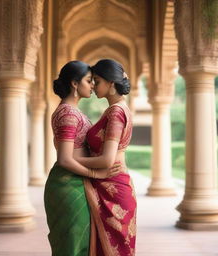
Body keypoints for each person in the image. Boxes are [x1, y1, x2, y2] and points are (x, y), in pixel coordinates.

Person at [44, 60, 121, 256]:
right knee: (72, 245)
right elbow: (64, 159)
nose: (93, 85)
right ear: (75, 84)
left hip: (76, 182)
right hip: (68, 184)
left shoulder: (73, 111)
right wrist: (94, 173)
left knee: (82, 243)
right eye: (89, 80)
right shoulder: (68, 114)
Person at [75, 59, 137, 256]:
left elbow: (107, 160)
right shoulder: (118, 109)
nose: (93, 86)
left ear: (111, 83)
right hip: (112, 187)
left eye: (97, 80)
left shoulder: (116, 113)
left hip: (113, 190)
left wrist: (70, 160)